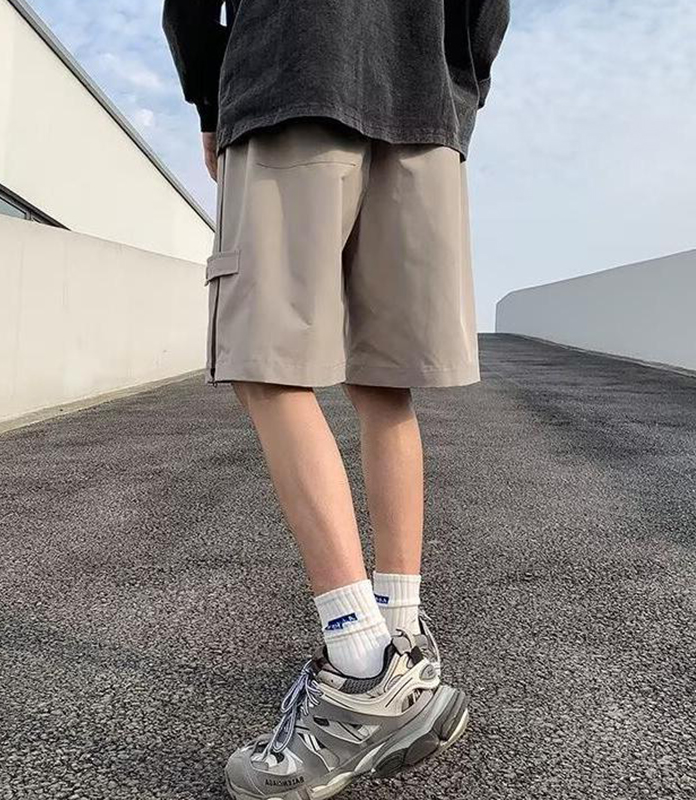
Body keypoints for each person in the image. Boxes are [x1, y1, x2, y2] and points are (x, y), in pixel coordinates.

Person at [163, 1, 509, 797]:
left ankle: (362, 666)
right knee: (383, 383)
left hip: (292, 72)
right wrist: (458, 95)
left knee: (266, 365)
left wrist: (212, 99)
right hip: (423, 101)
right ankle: (401, 638)